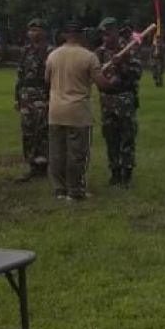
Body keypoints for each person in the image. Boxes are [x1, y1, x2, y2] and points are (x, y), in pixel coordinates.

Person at [46, 20, 113, 201]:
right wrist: (111, 78)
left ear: (65, 35)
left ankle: (59, 189)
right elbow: (102, 84)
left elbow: (47, 80)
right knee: (77, 153)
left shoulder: (53, 55)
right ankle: (74, 190)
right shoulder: (89, 57)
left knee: (57, 152)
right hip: (78, 112)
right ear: (81, 35)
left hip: (56, 110)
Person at [95, 18, 142, 188]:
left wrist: (122, 64)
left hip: (124, 98)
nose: (106, 38)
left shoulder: (128, 50)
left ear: (116, 31)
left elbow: (137, 73)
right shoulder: (99, 52)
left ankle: (126, 172)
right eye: (103, 34)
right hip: (107, 99)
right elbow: (95, 73)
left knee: (127, 136)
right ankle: (114, 171)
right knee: (110, 136)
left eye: (109, 33)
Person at [14, 18, 51, 183]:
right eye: (31, 30)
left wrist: (51, 98)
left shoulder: (49, 52)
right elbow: (19, 76)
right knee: (28, 131)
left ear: (44, 32)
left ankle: (44, 165)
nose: (33, 33)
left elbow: (53, 77)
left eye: (36, 30)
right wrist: (17, 97)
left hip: (41, 94)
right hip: (26, 96)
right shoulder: (25, 51)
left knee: (42, 131)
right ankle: (32, 165)